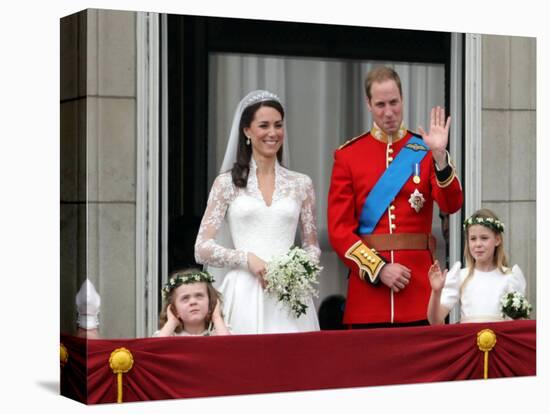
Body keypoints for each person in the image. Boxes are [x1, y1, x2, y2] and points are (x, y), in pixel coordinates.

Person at [327, 66, 463, 328]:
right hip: (369, 296)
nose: (388, 112)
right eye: (380, 105)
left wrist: (439, 157)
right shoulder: (348, 156)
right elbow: (339, 230)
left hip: (419, 291)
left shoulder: (423, 149)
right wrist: (378, 269)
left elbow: (452, 204)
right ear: (368, 104)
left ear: (402, 100)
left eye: (394, 103)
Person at [194, 89, 321, 334]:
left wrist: (295, 269)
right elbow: (202, 247)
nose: (272, 133)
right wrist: (247, 259)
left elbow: (312, 245)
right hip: (243, 291)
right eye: (264, 125)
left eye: (278, 125)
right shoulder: (226, 183)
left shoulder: (301, 183)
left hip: (288, 294)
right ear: (247, 131)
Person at [427, 209, 526, 324]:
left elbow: (519, 323)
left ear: (497, 240)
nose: (478, 244)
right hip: (469, 340)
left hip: (500, 340)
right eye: (473, 239)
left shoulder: (510, 277)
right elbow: (435, 321)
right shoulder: (460, 276)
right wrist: (436, 291)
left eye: (484, 238)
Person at [154, 269, 230, 336]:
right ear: (174, 309)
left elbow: (230, 347)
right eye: (185, 298)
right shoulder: (169, 334)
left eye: (199, 296)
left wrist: (216, 318)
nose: (193, 302)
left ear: (210, 303)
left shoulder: (219, 332)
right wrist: (172, 322)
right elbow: (155, 347)